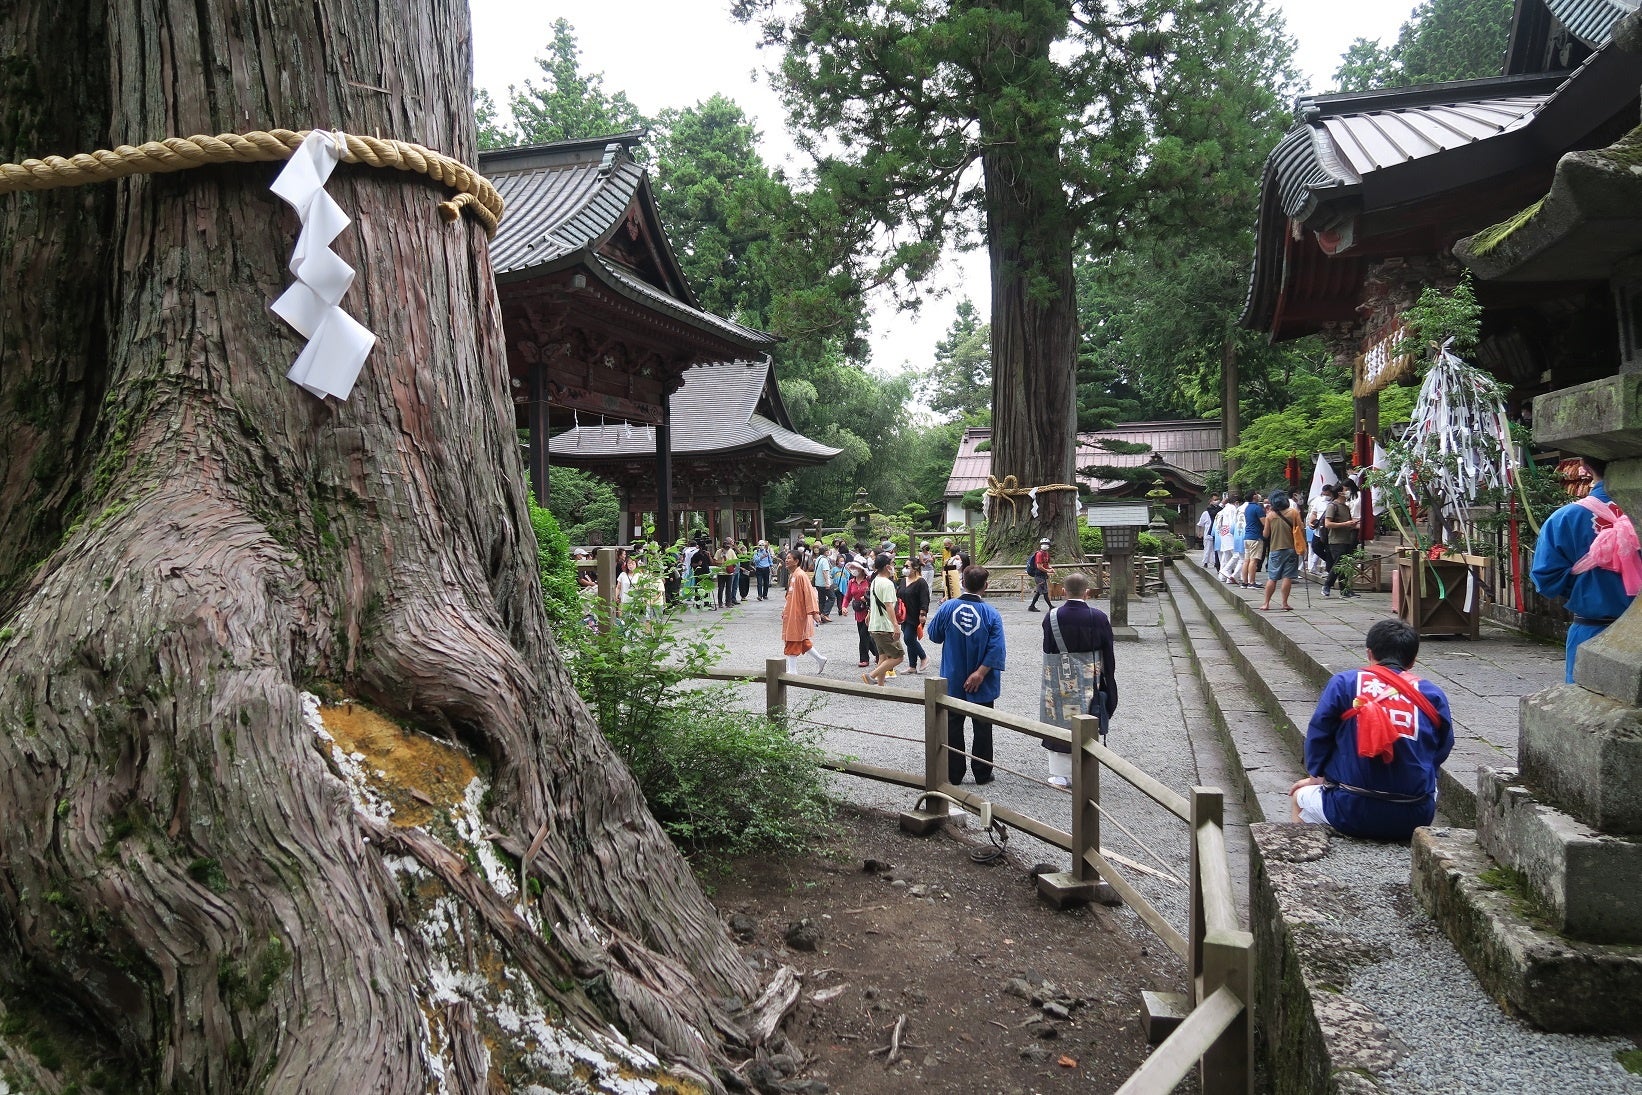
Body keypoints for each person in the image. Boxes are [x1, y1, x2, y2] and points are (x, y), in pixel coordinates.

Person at [1288, 619, 1453, 841]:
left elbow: (1320, 733)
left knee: (1300, 796)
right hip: (1414, 814)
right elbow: (1443, 746)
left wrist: (1315, 777)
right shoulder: (1432, 694)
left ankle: (1306, 862)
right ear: (1412, 660)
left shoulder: (1344, 683)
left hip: (1350, 808)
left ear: (1369, 653)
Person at [1531, 456, 1642, 683]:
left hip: (1592, 631)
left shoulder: (1563, 519)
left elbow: (1545, 579)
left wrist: (1588, 586)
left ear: (1586, 466)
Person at [927, 566, 1007, 785]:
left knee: (952, 726)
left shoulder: (949, 607)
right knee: (982, 726)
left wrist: (941, 610)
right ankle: (982, 773)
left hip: (953, 676)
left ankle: (954, 773)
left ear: (962, 582)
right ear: (986, 586)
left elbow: (934, 635)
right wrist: (980, 674)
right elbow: (997, 649)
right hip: (983, 681)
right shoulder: (992, 614)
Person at [1038, 572, 1116, 788]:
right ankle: (1083, 770)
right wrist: (1108, 679)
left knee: (1058, 719)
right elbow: (1107, 651)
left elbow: (1048, 649)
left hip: (1057, 678)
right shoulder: (1098, 617)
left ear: (1063, 592)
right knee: (1087, 717)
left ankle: (1060, 775)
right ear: (1087, 593)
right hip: (1088, 679)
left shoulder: (1051, 617)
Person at [780, 549, 827, 675]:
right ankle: (820, 659)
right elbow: (790, 596)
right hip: (792, 612)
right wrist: (785, 609)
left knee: (792, 639)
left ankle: (793, 670)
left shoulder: (800, 575)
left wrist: (815, 612)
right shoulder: (794, 574)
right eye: (787, 558)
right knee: (801, 640)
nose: (786, 560)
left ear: (796, 561)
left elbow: (809, 594)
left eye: (789, 558)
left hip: (797, 613)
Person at [863, 554, 905, 686]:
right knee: (898, 656)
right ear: (887, 567)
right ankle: (871, 676)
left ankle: (880, 686)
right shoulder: (887, 583)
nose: (894, 567)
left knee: (883, 656)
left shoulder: (875, 580)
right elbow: (888, 605)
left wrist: (869, 613)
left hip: (875, 625)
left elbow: (875, 600)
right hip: (884, 626)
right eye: (892, 564)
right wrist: (896, 625)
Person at [1258, 491, 1304, 611]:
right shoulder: (1293, 513)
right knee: (1287, 577)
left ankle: (1266, 603)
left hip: (1275, 549)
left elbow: (1266, 534)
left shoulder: (1270, 516)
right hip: (1291, 548)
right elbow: (1301, 528)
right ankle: (1284, 603)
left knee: (1272, 577)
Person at [1321, 484, 1359, 598]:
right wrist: (1346, 524)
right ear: (1340, 493)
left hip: (1347, 539)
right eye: (1346, 490)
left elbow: (1347, 523)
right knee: (1338, 565)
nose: (1348, 492)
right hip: (1336, 540)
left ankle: (1345, 590)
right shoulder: (1333, 506)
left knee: (1344, 566)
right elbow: (1328, 524)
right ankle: (1327, 585)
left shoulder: (1346, 507)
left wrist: (1353, 524)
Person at [899, 562, 931, 674]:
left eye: (907, 566)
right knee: (909, 639)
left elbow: (925, 599)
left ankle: (923, 657)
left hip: (915, 614)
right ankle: (912, 666)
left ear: (915, 568)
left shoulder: (921, 582)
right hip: (903, 614)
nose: (905, 568)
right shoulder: (903, 580)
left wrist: (923, 613)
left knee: (908, 638)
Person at [844, 561, 877, 668]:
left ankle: (864, 658)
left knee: (864, 635)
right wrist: (844, 607)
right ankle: (878, 654)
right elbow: (847, 596)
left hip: (869, 610)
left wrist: (866, 598)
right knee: (865, 635)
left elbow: (875, 594)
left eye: (856, 568)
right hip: (859, 611)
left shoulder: (869, 580)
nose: (853, 570)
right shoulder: (851, 582)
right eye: (852, 568)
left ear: (861, 569)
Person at [1240, 492, 1266, 588]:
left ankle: (1245, 582)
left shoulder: (1247, 508)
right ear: (1254, 496)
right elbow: (1265, 523)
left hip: (1247, 537)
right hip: (1256, 537)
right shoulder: (1257, 508)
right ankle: (1252, 582)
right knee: (1253, 560)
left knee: (1246, 560)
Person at [1026, 536, 1055, 612]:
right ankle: (1050, 606)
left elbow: (1047, 564)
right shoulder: (1039, 554)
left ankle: (1031, 606)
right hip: (1038, 575)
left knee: (1039, 592)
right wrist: (1047, 571)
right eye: (1043, 543)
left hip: (1043, 575)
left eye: (1046, 544)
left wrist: (1050, 568)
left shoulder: (1047, 554)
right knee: (1045, 591)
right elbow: (1039, 566)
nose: (1045, 545)